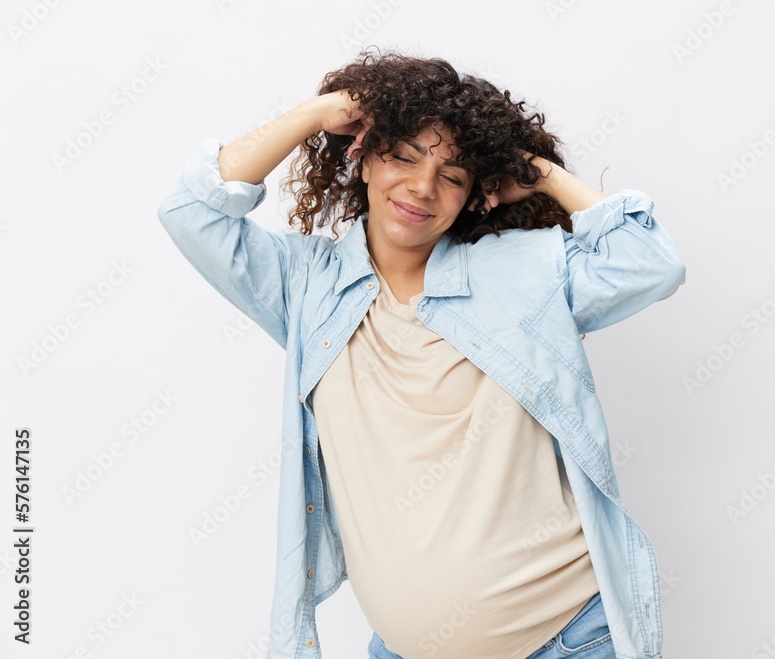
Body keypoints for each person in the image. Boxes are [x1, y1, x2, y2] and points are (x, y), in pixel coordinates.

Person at [157, 48, 686, 659]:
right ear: (362, 159)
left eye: (453, 176)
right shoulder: (306, 286)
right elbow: (190, 213)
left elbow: (652, 263)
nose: (422, 187)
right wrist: (316, 113)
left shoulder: (520, 271)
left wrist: (538, 173)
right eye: (403, 157)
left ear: (474, 196)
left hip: (570, 641)